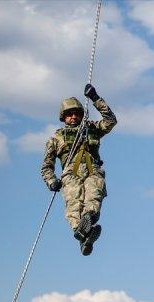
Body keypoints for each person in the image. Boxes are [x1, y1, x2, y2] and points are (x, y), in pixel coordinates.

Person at [41, 84, 117, 256]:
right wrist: (51, 181)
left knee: (93, 197)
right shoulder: (56, 138)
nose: (73, 117)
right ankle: (82, 233)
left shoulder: (91, 128)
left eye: (77, 114)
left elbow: (110, 121)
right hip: (71, 174)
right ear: (64, 117)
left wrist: (96, 99)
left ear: (82, 115)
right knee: (74, 204)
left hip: (93, 170)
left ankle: (86, 226)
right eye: (69, 114)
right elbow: (47, 165)